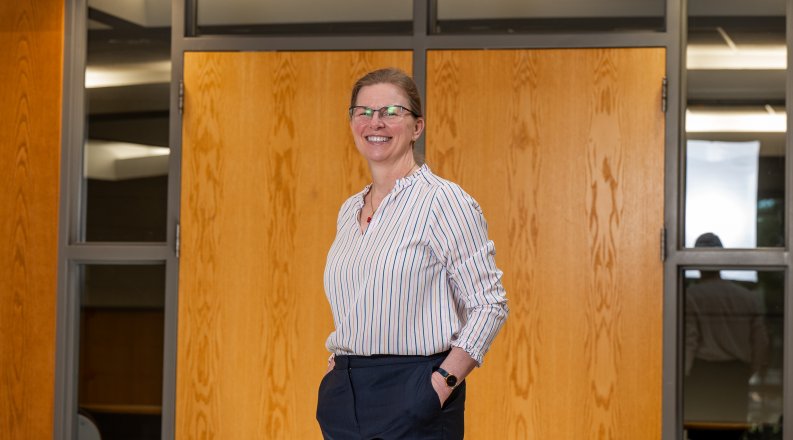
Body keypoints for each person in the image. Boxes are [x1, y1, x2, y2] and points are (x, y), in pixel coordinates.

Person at [315, 68, 509, 439]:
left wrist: (439, 385)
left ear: (417, 127)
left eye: (391, 112)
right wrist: (334, 376)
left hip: (415, 391)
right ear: (352, 121)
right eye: (364, 112)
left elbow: (490, 304)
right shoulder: (349, 210)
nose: (377, 122)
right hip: (345, 395)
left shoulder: (445, 201)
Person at [684, 233, 769, 440]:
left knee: (701, 434)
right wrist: (749, 370)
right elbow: (760, 342)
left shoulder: (690, 297)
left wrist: (682, 378)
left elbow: (689, 341)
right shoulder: (747, 298)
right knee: (732, 434)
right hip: (735, 374)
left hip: (702, 375)